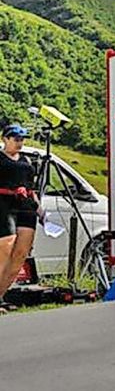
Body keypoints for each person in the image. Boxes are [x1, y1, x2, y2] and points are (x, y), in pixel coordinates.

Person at [0, 125, 42, 309]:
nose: (20, 143)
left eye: (22, 139)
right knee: (6, 248)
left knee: (20, 254)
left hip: (26, 206)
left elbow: (31, 189)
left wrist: (40, 210)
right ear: (5, 139)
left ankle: (1, 295)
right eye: (16, 139)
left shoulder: (27, 161)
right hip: (3, 204)